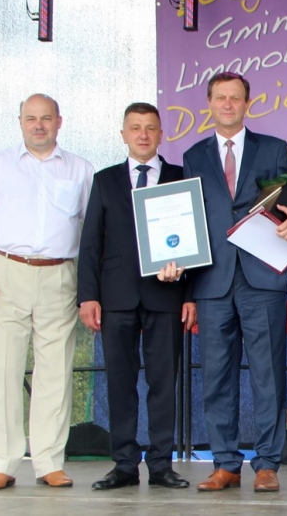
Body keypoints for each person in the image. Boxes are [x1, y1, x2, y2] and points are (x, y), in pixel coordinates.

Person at [182, 72, 287, 492]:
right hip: (211, 283)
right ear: (209, 103)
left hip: (263, 278)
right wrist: (185, 286)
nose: (227, 104)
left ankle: (267, 464)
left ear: (247, 104)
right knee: (216, 377)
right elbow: (188, 222)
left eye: (235, 98)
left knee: (268, 375)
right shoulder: (193, 156)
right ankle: (225, 463)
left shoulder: (273, 149)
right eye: (220, 97)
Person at [0, 94, 94, 490]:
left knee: (56, 371)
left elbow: (95, 229)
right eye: (31, 118)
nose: (38, 125)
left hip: (60, 273)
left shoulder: (81, 169)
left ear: (59, 121)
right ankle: (2, 462)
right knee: (3, 369)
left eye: (46, 118)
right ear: (19, 121)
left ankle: (49, 461)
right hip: (5, 272)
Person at [77, 103, 197, 490]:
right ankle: (125, 465)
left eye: (150, 128)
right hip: (116, 298)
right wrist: (88, 296)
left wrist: (190, 293)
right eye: (135, 127)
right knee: (120, 384)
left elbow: (197, 241)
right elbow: (90, 244)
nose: (143, 134)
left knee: (164, 385)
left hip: (167, 297)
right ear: (124, 134)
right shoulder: (105, 180)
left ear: (162, 134)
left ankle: (161, 465)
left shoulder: (182, 178)